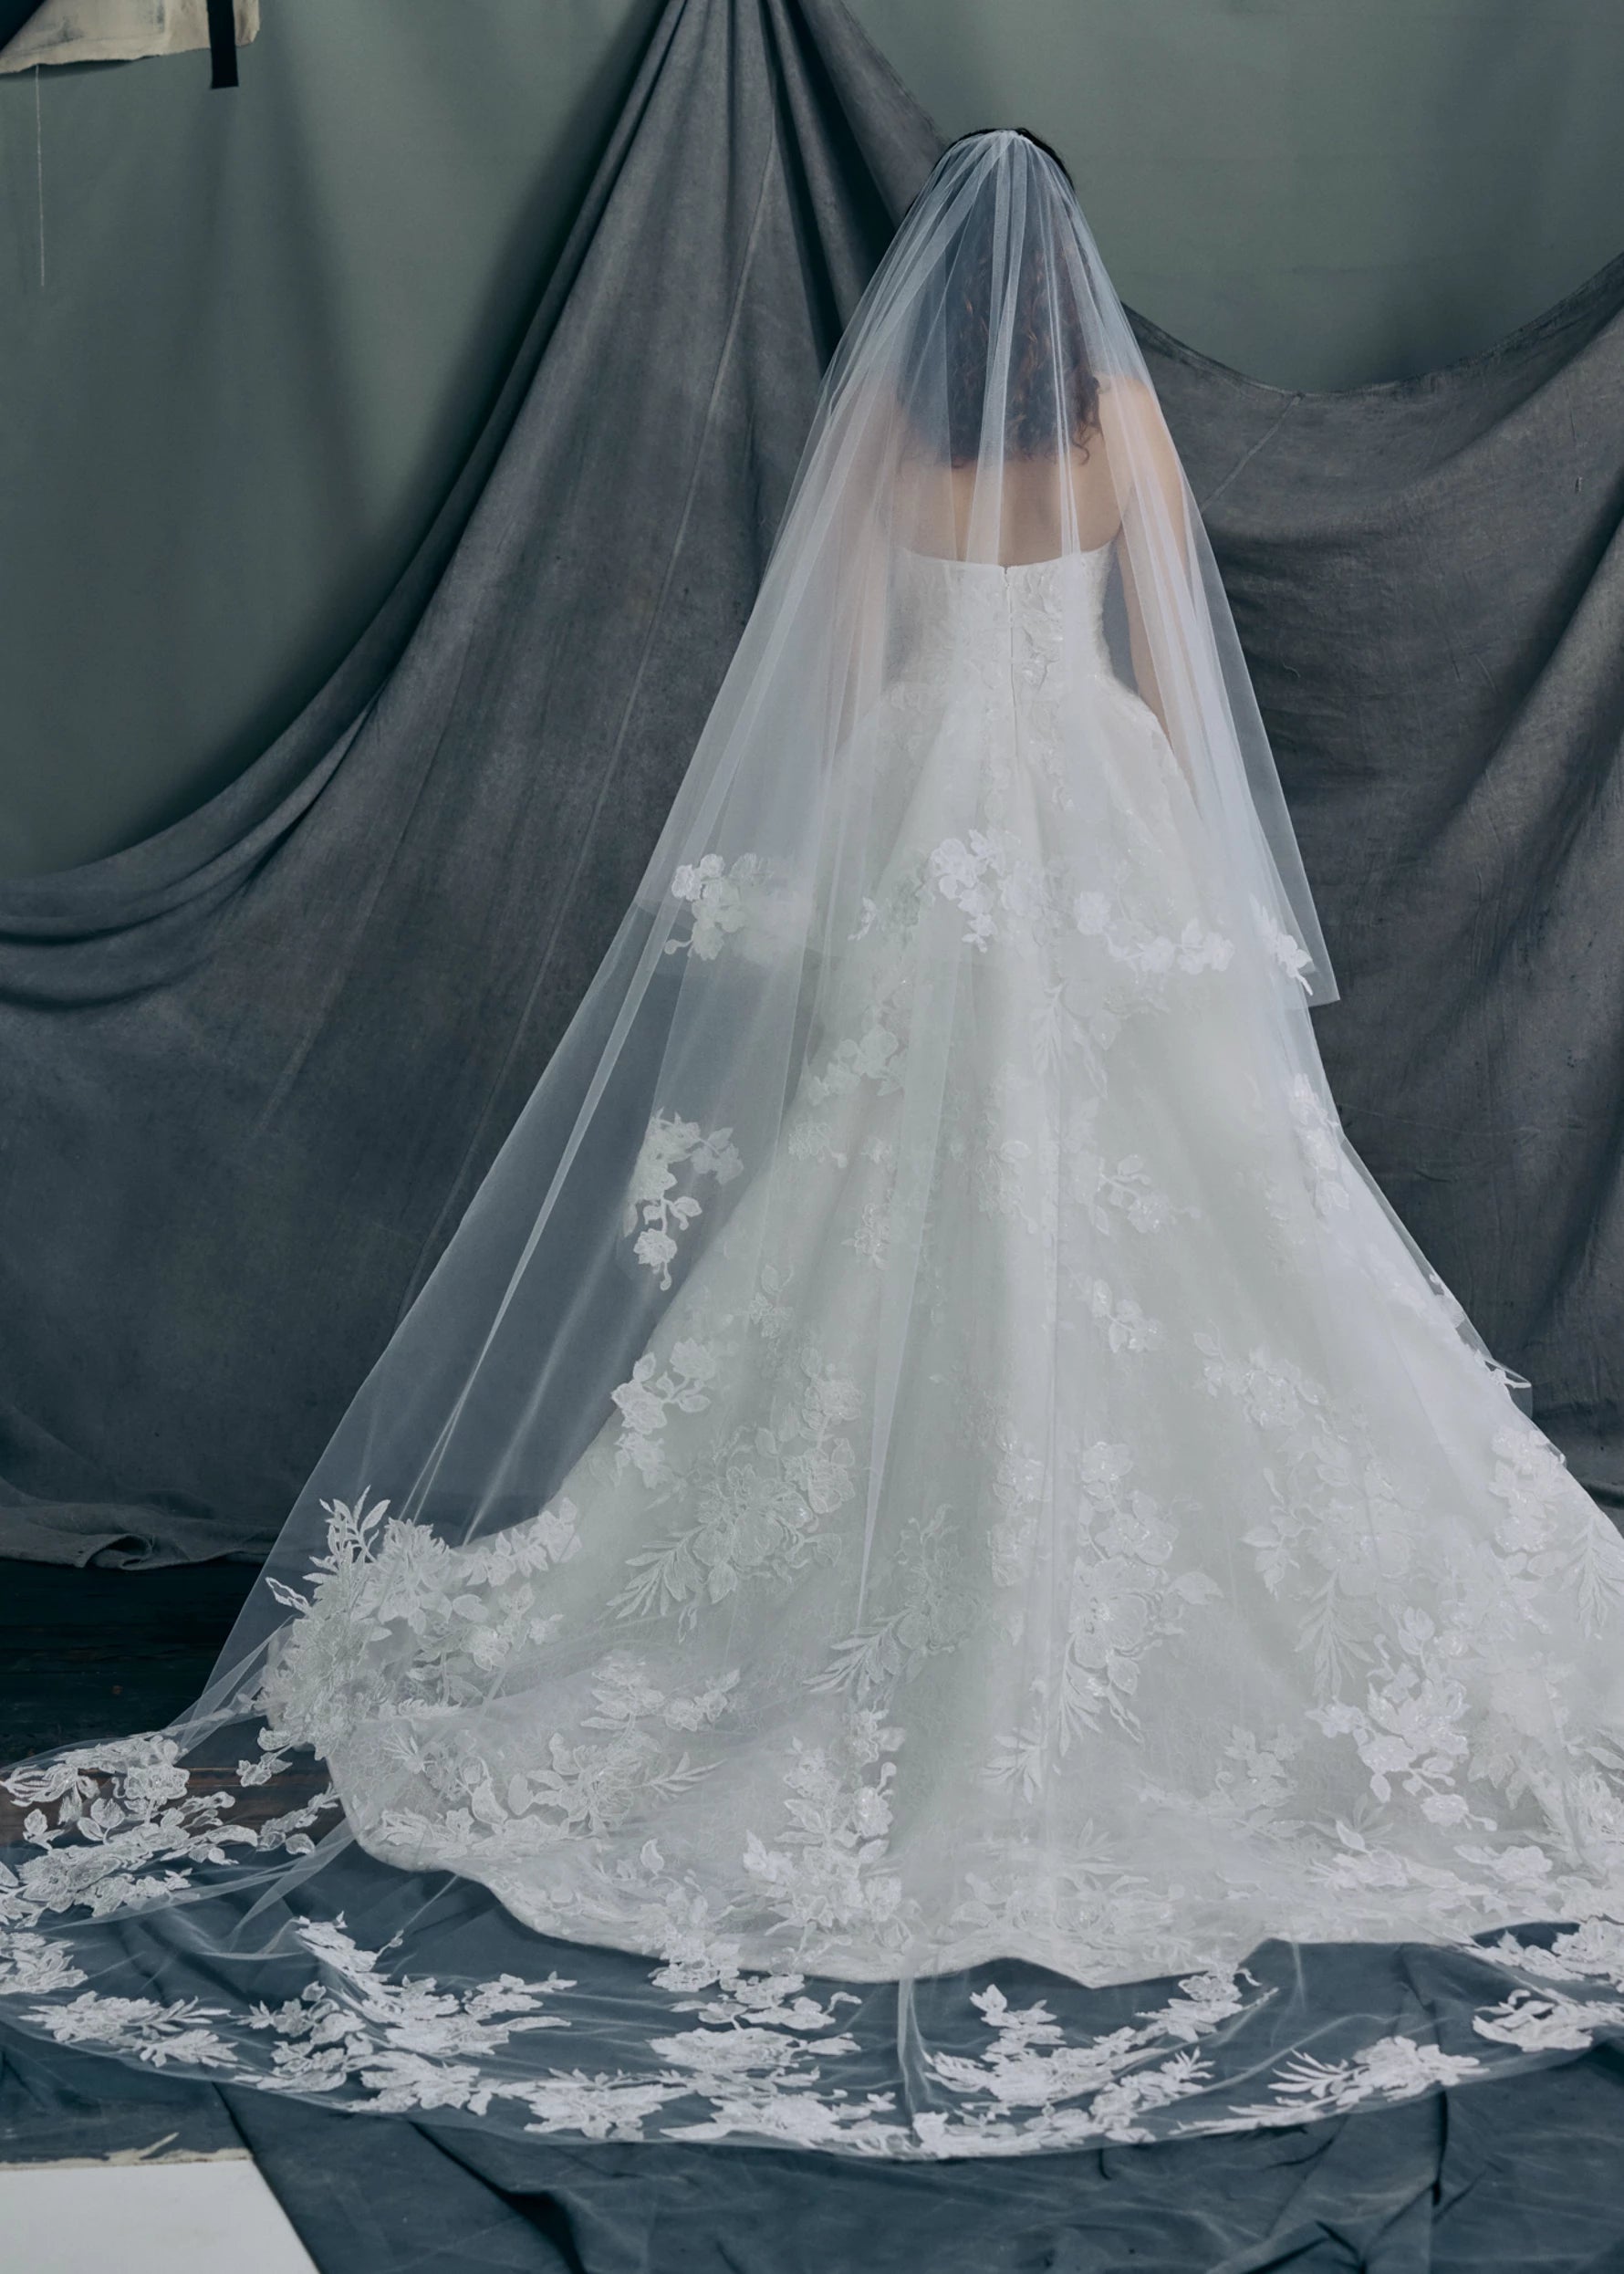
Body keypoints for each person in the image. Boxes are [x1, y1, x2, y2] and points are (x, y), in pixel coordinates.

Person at [4, 127, 1624, 2158]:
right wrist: (1153, 852)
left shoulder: (893, 450)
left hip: (934, 803)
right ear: (1071, 301)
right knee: (1171, 1186)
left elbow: (845, 660)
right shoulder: (1117, 414)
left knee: (899, 1177)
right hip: (1092, 804)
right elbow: (1161, 662)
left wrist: (871, 837)